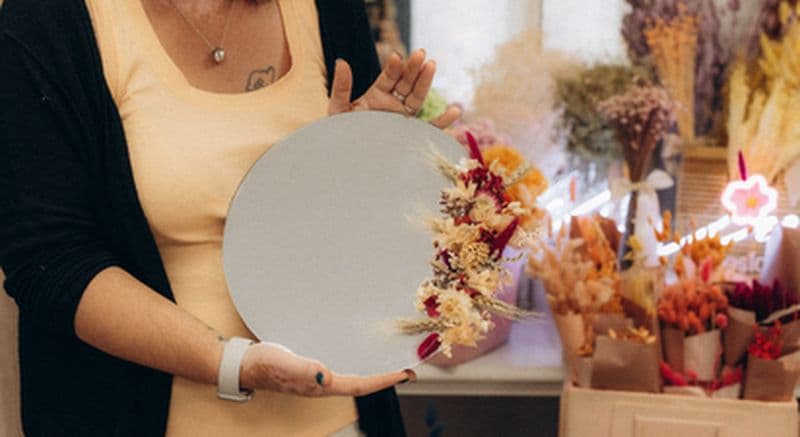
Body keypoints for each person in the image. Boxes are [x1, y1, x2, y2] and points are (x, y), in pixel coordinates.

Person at [0, 0, 459, 436]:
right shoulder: (49, 17)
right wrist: (235, 364)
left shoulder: (329, 8)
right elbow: (50, 260)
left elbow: (352, 243)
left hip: (337, 419)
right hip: (133, 418)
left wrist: (356, 168)